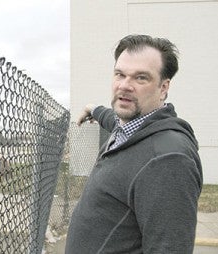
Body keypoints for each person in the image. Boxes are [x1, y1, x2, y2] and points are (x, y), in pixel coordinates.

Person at [65, 34, 203, 253]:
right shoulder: (131, 127)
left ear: (163, 88)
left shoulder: (167, 159)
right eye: (119, 74)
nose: (124, 86)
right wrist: (94, 110)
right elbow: (112, 119)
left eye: (141, 78)